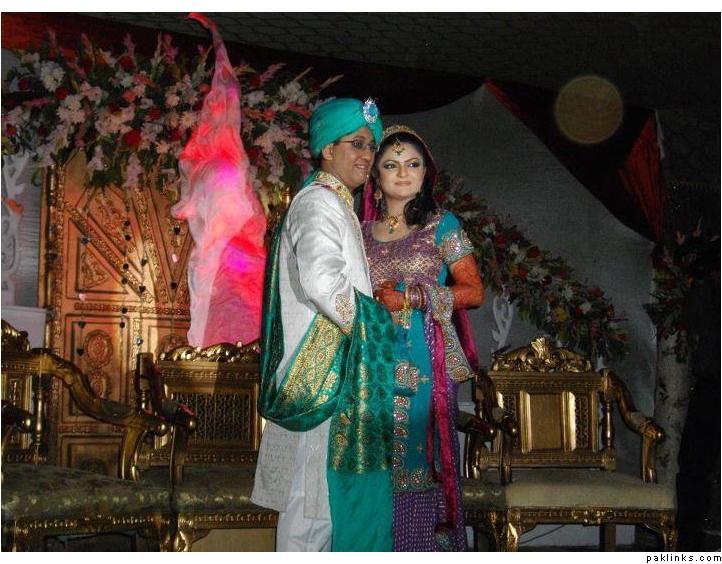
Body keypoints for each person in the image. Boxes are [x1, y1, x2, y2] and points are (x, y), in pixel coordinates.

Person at [252, 97, 399, 552]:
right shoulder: (319, 204)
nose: (367, 155)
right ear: (327, 149)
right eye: (356, 143)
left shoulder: (333, 203)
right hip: (323, 378)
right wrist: (377, 326)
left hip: (333, 376)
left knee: (321, 513)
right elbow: (321, 282)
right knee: (311, 514)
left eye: (371, 146)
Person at [360, 124, 485, 551]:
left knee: (414, 462)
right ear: (375, 175)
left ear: (425, 173)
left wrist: (412, 297)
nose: (403, 173)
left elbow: (473, 291)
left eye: (413, 164)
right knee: (371, 463)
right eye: (391, 165)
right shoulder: (360, 232)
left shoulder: (441, 225)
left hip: (422, 361)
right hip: (370, 361)